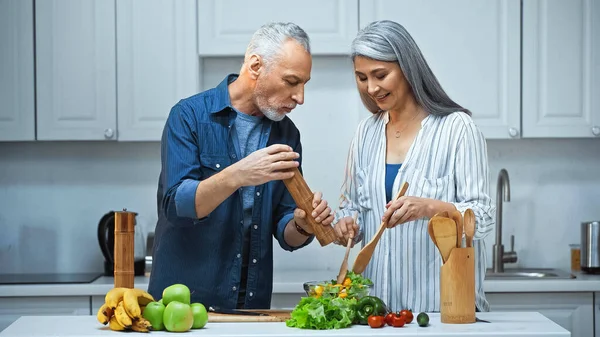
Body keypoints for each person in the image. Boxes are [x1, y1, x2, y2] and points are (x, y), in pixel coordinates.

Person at [148, 22, 335, 310]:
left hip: (252, 304)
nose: (300, 97)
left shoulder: (287, 134)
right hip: (184, 307)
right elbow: (177, 206)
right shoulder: (188, 117)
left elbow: (285, 230)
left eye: (304, 84)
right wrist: (239, 174)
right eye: (291, 81)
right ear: (255, 65)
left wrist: (302, 223)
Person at [332, 20, 496, 313]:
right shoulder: (365, 133)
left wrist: (428, 208)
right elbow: (352, 207)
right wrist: (346, 223)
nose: (371, 88)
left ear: (407, 68)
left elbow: (482, 219)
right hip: (377, 312)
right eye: (361, 77)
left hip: (442, 311)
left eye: (380, 75)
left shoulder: (457, 129)